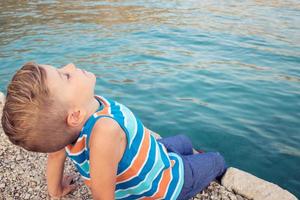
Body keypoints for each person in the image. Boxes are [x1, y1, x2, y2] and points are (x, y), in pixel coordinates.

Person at [1, 62, 226, 200]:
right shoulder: (104, 132)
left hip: (152, 153)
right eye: (65, 76)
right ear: (75, 115)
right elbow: (102, 197)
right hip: (165, 184)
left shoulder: (67, 124)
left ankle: (184, 156)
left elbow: (55, 155)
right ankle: (193, 167)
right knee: (216, 159)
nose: (69, 65)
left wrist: (56, 191)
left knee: (184, 141)